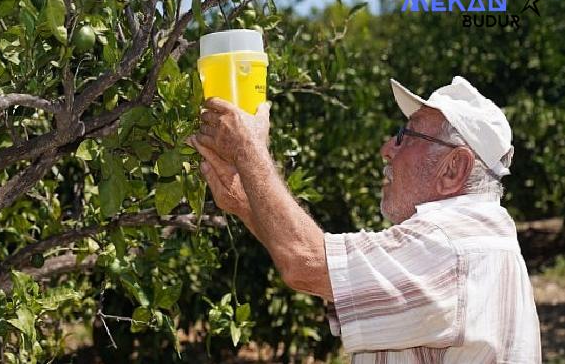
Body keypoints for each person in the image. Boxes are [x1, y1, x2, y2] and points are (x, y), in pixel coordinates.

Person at [187, 76, 541, 363]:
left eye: (407, 135)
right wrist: (246, 203)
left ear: (454, 169)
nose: (388, 147)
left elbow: (306, 263)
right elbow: (326, 277)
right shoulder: (479, 238)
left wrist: (249, 149)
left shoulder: (449, 247)